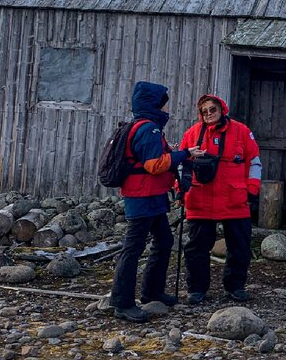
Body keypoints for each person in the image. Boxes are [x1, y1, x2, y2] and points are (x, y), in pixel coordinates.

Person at [110, 81, 203, 323]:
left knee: (164, 240)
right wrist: (184, 154)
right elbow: (154, 165)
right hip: (143, 196)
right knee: (132, 249)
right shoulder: (148, 128)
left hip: (150, 196)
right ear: (154, 104)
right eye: (163, 103)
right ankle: (122, 302)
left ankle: (151, 291)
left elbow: (150, 158)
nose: (165, 107)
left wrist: (170, 151)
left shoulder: (141, 126)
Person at [178, 94, 262, 304]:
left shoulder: (242, 131)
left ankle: (235, 287)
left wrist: (252, 189)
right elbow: (181, 165)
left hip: (235, 199)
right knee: (196, 248)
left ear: (222, 109)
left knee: (240, 247)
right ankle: (197, 289)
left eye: (212, 109)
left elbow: (254, 162)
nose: (208, 114)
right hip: (200, 198)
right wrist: (180, 190)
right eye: (204, 111)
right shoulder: (192, 133)